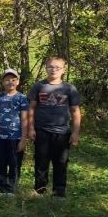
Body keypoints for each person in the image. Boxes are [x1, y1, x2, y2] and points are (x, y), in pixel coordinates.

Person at [27, 57, 82, 197]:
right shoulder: (39, 86)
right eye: (50, 67)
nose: (53, 70)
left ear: (63, 70)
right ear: (46, 68)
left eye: (57, 67)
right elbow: (31, 109)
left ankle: (59, 191)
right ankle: (40, 190)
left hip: (62, 132)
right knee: (41, 161)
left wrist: (75, 133)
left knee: (61, 162)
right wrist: (31, 128)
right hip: (42, 130)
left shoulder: (69, 88)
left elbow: (75, 112)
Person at [0, 69, 30, 194]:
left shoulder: (22, 98)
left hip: (15, 138)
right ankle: (1, 187)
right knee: (0, 162)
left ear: (18, 82)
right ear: (3, 82)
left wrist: (24, 139)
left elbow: (24, 119)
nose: (10, 82)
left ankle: (11, 188)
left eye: (13, 79)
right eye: (7, 79)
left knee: (14, 164)